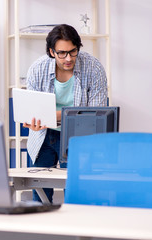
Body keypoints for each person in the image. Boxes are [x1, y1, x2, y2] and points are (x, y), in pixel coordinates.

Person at [23, 24, 108, 203]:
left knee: (78, 193)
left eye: (72, 51)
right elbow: (32, 109)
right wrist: (31, 119)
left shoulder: (93, 68)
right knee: (40, 196)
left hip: (78, 137)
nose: (68, 58)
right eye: (62, 53)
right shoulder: (37, 69)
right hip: (43, 135)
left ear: (78, 47)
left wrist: (55, 116)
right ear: (51, 51)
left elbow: (96, 113)